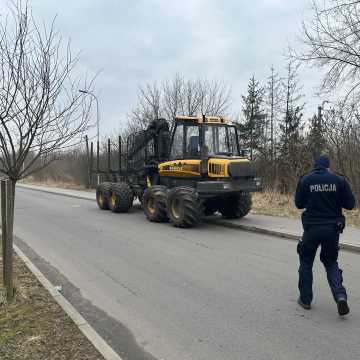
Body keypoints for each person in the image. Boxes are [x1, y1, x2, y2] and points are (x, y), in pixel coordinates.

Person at [295, 154, 356, 316]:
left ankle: (305, 300)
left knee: (306, 261)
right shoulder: (339, 180)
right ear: (328, 166)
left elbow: (298, 204)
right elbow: (350, 204)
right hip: (332, 229)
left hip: (311, 229)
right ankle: (340, 295)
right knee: (330, 262)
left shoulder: (306, 180)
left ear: (315, 166)